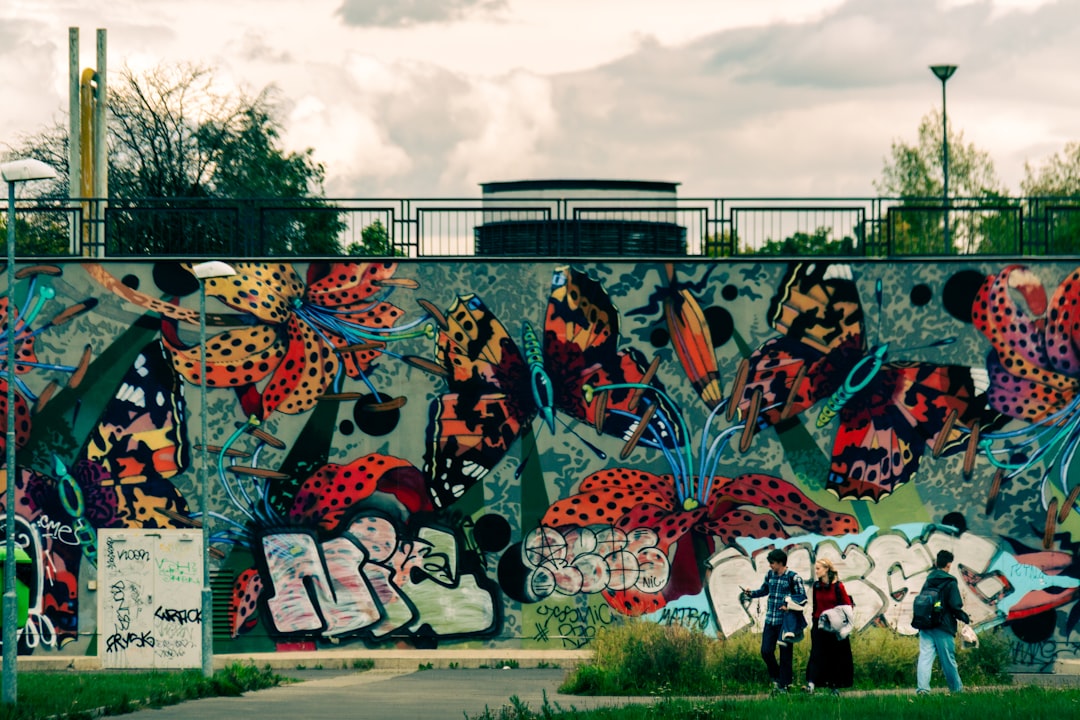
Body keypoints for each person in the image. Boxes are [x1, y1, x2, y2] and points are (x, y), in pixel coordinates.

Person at [742, 548, 806, 693]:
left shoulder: (793, 578)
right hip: (770, 620)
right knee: (766, 651)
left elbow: (802, 597)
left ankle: (785, 685)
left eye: (772, 563)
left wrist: (789, 605)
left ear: (780, 563)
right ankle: (777, 678)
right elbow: (764, 590)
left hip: (786, 623)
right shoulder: (770, 575)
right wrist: (751, 593)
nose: (770, 566)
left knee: (785, 655)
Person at [916, 549, 970, 695]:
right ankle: (957, 690)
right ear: (948, 564)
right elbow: (955, 605)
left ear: (935, 563)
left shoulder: (928, 580)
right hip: (943, 626)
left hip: (926, 625)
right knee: (948, 660)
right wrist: (964, 618)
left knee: (925, 658)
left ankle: (922, 690)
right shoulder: (950, 581)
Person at [804, 557, 854, 695]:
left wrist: (846, 628)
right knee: (816, 654)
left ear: (826, 570)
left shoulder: (838, 587)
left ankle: (834, 687)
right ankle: (811, 684)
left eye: (818, 569)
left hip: (834, 626)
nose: (816, 571)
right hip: (819, 625)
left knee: (834, 657)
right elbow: (815, 606)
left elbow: (848, 606)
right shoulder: (816, 586)